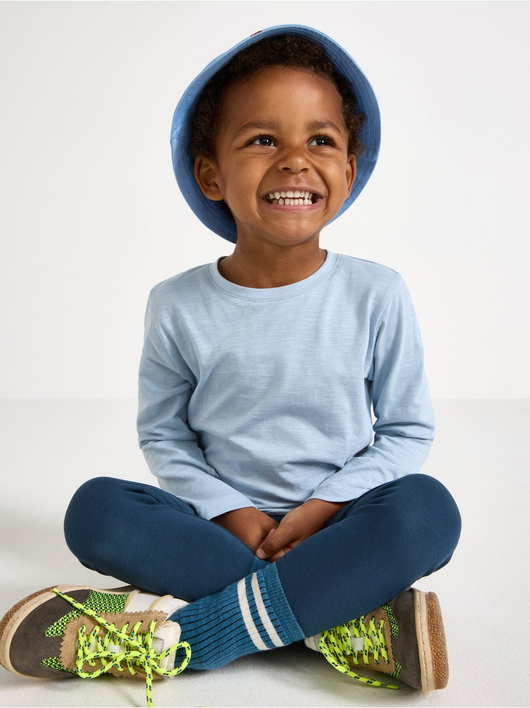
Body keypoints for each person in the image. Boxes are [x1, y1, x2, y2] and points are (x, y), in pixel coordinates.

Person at [0, 24, 462, 707]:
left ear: (348, 170)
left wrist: (322, 509)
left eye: (321, 140)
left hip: (339, 526)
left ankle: (183, 636)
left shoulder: (378, 294)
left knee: (427, 510)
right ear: (210, 174)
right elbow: (165, 436)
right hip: (215, 532)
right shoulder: (177, 304)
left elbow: (405, 431)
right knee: (95, 510)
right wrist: (233, 512)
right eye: (263, 139)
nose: (296, 160)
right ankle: (342, 618)